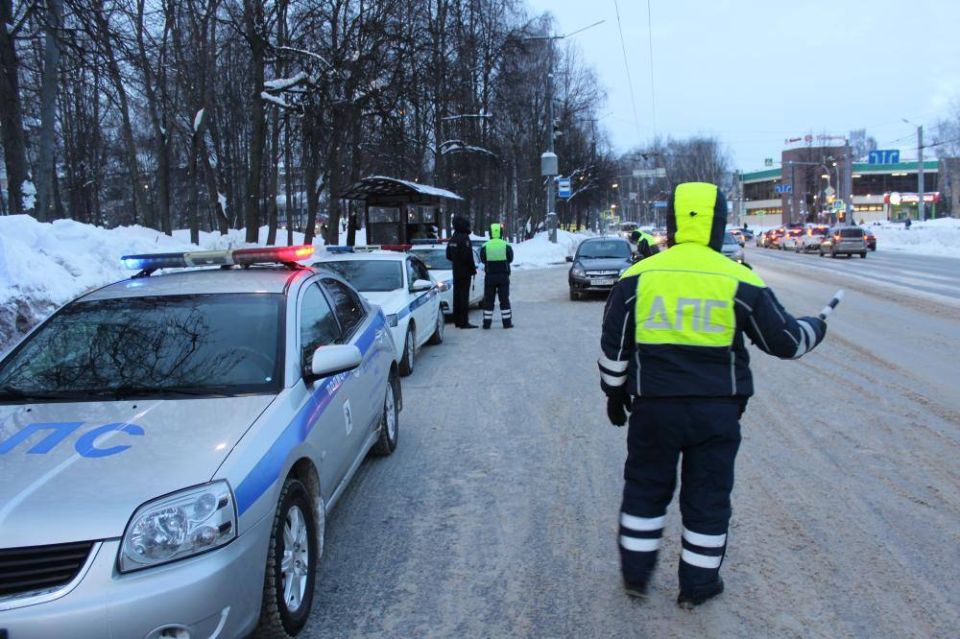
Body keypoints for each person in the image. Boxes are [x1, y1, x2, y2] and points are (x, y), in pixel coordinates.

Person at [598, 182, 828, 608]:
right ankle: (698, 587)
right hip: (717, 413)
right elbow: (787, 342)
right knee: (707, 497)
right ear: (718, 222)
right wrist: (818, 324)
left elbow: (615, 347)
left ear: (671, 222)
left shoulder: (638, 277)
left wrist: (614, 394)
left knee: (645, 490)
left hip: (654, 410)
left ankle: (635, 577)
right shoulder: (738, 278)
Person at [480, 222, 514, 329]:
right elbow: (510, 258)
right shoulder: (506, 245)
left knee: (488, 300)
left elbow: (483, 259)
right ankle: (507, 323)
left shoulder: (485, 246)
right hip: (503, 276)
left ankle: (486, 323)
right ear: (501, 232)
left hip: (490, 276)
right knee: (504, 299)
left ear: (490, 233)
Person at [446, 216, 477, 328]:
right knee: (464, 297)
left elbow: (448, 255)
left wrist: (456, 261)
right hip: (465, 272)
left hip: (456, 271)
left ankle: (457, 320)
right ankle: (464, 321)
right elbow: (468, 257)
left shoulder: (452, 238)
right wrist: (472, 269)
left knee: (457, 296)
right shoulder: (465, 238)